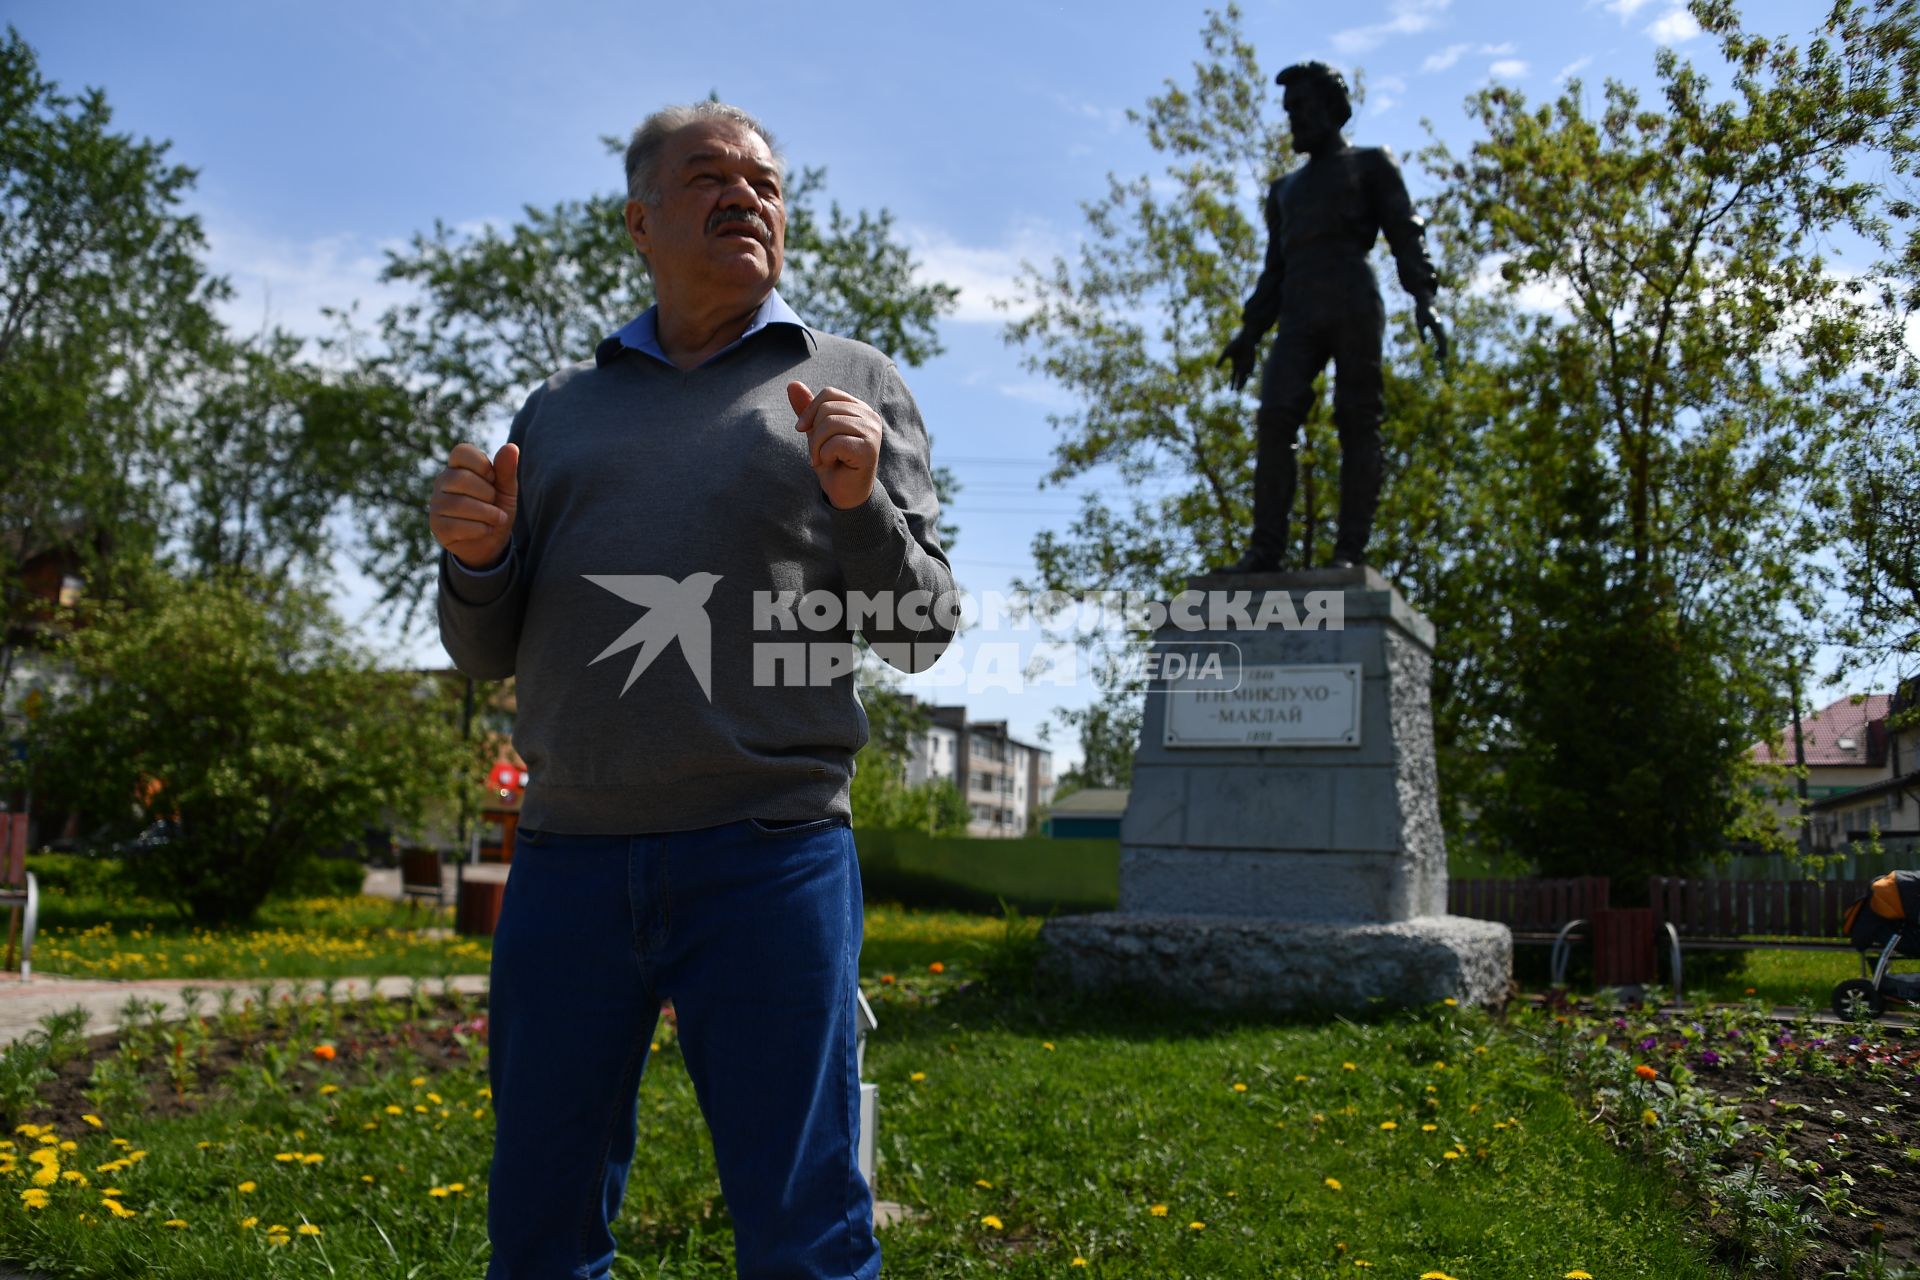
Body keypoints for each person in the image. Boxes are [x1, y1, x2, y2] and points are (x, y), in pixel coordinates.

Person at [428, 101, 953, 1280]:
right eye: (709, 175)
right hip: (567, 859)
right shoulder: (559, 412)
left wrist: (860, 503)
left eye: (766, 183)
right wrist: (473, 562)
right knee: (540, 1226)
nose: (746, 197)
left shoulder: (852, 382)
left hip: (771, 853)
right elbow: (486, 648)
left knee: (804, 1228)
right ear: (640, 220)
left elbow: (919, 629)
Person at [1218, 61, 1447, 572]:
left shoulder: (1370, 165)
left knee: (1357, 419)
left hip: (1351, 298)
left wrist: (1423, 296)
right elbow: (1273, 270)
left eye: (1300, 108)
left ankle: (1349, 552)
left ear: (1331, 108)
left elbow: (1405, 233)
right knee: (1275, 416)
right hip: (1299, 305)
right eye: (1288, 111)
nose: (1292, 119)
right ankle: (1265, 550)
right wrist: (1250, 332)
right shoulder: (1284, 191)